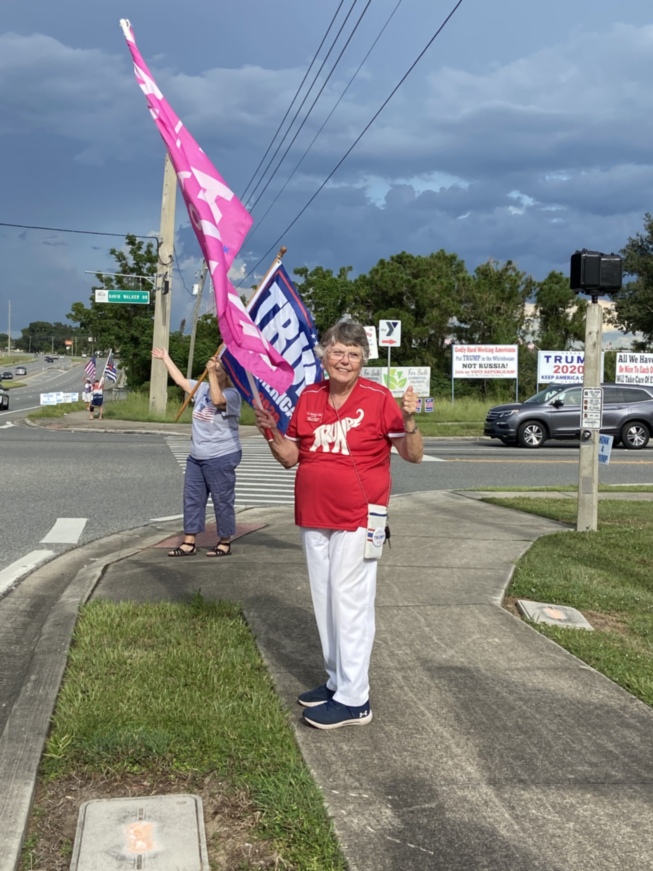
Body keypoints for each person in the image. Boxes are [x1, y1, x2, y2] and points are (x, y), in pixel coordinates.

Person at [254, 321, 423, 730]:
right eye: (337, 352)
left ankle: (355, 699)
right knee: (326, 600)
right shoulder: (309, 396)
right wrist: (269, 430)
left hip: (359, 516)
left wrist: (411, 420)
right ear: (323, 357)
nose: (345, 360)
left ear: (363, 359)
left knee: (350, 603)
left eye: (353, 353)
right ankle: (336, 681)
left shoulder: (379, 398)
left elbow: (413, 455)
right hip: (314, 514)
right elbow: (291, 457)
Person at [152, 347, 242, 558]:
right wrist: (166, 358)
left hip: (221, 454)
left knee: (222, 500)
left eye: (219, 369)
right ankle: (189, 541)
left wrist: (212, 375)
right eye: (213, 368)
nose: (214, 370)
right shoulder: (201, 389)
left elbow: (218, 401)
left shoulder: (232, 394)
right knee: (192, 498)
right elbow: (181, 381)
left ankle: (225, 540)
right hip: (197, 455)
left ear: (227, 374)